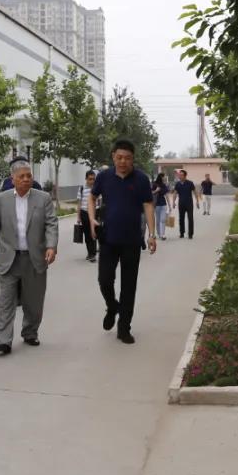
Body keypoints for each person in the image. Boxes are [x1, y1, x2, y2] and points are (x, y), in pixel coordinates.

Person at [0, 159, 58, 354]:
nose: (26, 179)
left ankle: (30, 332)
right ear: (13, 179)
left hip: (34, 259)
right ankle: (3, 340)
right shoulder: (1, 199)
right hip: (9, 259)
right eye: (21, 176)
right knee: (6, 302)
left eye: (29, 176)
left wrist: (51, 246)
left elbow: (51, 223)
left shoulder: (43, 198)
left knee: (33, 302)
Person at [88, 139, 156, 345]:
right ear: (113, 157)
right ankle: (112, 306)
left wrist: (152, 235)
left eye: (127, 158)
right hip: (108, 239)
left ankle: (124, 328)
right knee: (104, 280)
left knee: (129, 286)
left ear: (133, 159)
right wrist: (91, 219)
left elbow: (148, 205)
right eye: (119, 157)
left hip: (132, 241)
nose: (123, 162)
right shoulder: (104, 177)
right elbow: (92, 197)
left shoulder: (141, 179)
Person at [77, 170, 99, 262]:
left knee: (94, 233)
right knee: (87, 235)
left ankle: (93, 254)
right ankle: (90, 252)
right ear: (86, 179)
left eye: (93, 179)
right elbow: (79, 203)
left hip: (95, 212)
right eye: (90, 179)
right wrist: (78, 217)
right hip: (84, 213)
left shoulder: (97, 188)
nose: (92, 181)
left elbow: (100, 201)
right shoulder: (82, 188)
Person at [171, 169, 198, 239]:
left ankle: (190, 234)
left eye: (181, 175)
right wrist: (173, 202)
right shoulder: (177, 184)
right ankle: (182, 233)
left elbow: (195, 192)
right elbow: (175, 193)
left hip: (189, 203)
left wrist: (197, 201)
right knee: (181, 219)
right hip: (181, 204)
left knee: (190, 218)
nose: (179, 176)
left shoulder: (190, 183)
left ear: (185, 176)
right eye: (179, 175)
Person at [152, 173, 170, 240]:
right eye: (164, 176)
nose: (165, 178)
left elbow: (166, 195)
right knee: (158, 220)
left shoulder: (164, 185)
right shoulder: (154, 184)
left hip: (163, 204)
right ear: (161, 177)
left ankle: (163, 235)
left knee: (163, 220)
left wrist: (169, 205)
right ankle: (159, 233)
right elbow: (150, 193)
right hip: (156, 205)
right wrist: (156, 190)